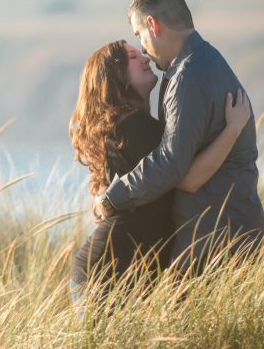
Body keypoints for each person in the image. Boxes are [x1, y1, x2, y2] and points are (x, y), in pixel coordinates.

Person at [95, 0, 264, 273]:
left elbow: (173, 164)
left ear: (153, 24)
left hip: (214, 236)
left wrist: (113, 197)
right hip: (226, 228)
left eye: (139, 35)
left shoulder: (188, 77)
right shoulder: (203, 63)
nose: (144, 50)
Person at [69, 39, 250, 304]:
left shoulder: (123, 130)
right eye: (132, 56)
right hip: (109, 274)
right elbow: (190, 180)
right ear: (116, 76)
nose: (144, 57)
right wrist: (233, 130)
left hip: (117, 273)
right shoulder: (136, 129)